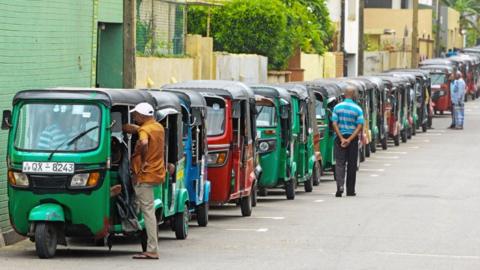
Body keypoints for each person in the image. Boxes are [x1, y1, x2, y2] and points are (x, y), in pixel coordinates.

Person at [123, 102, 165, 260]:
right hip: (156, 173)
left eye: (136, 115)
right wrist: (134, 128)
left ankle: (152, 249)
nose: (134, 117)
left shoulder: (144, 131)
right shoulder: (158, 127)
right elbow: (144, 130)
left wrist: (143, 156)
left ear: (142, 116)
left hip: (144, 175)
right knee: (145, 208)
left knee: (148, 212)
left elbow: (144, 141)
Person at [332, 87, 364, 197]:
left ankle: (339, 187)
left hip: (339, 139)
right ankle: (350, 190)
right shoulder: (358, 109)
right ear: (354, 95)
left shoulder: (337, 107)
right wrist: (349, 139)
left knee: (339, 163)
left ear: (344, 94)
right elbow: (359, 126)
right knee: (352, 165)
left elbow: (334, 123)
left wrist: (341, 138)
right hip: (352, 139)